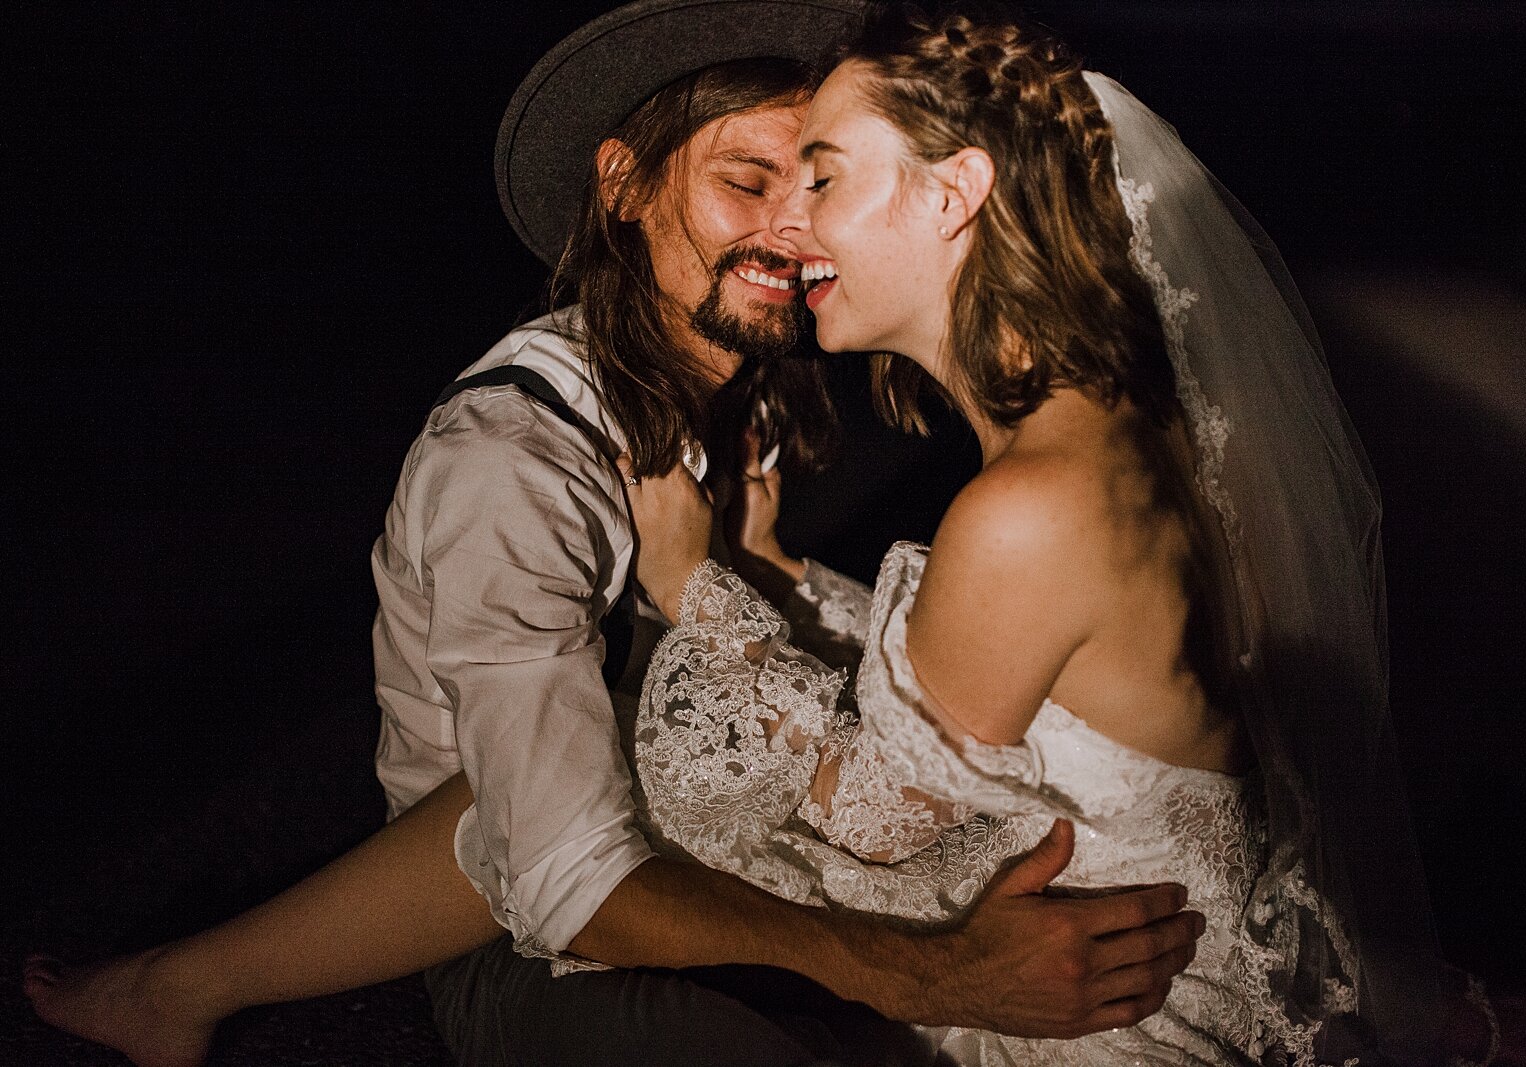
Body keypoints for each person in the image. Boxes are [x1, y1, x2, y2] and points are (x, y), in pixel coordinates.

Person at [23, 3, 1205, 1066]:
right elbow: (562, 876)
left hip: (744, 836)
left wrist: (764, 575)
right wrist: (926, 969)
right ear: (624, 185)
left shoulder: (750, 382)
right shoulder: (513, 458)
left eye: (817, 187)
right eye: (747, 181)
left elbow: (873, 694)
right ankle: (170, 989)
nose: (793, 233)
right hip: (526, 919)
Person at [616, 4, 1526, 1065]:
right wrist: (777, 573)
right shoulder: (1127, 434)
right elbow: (1005, 703)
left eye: (823, 176)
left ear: (955, 194)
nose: (792, 225)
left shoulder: (1031, 507)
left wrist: (695, 587)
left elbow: (880, 823)